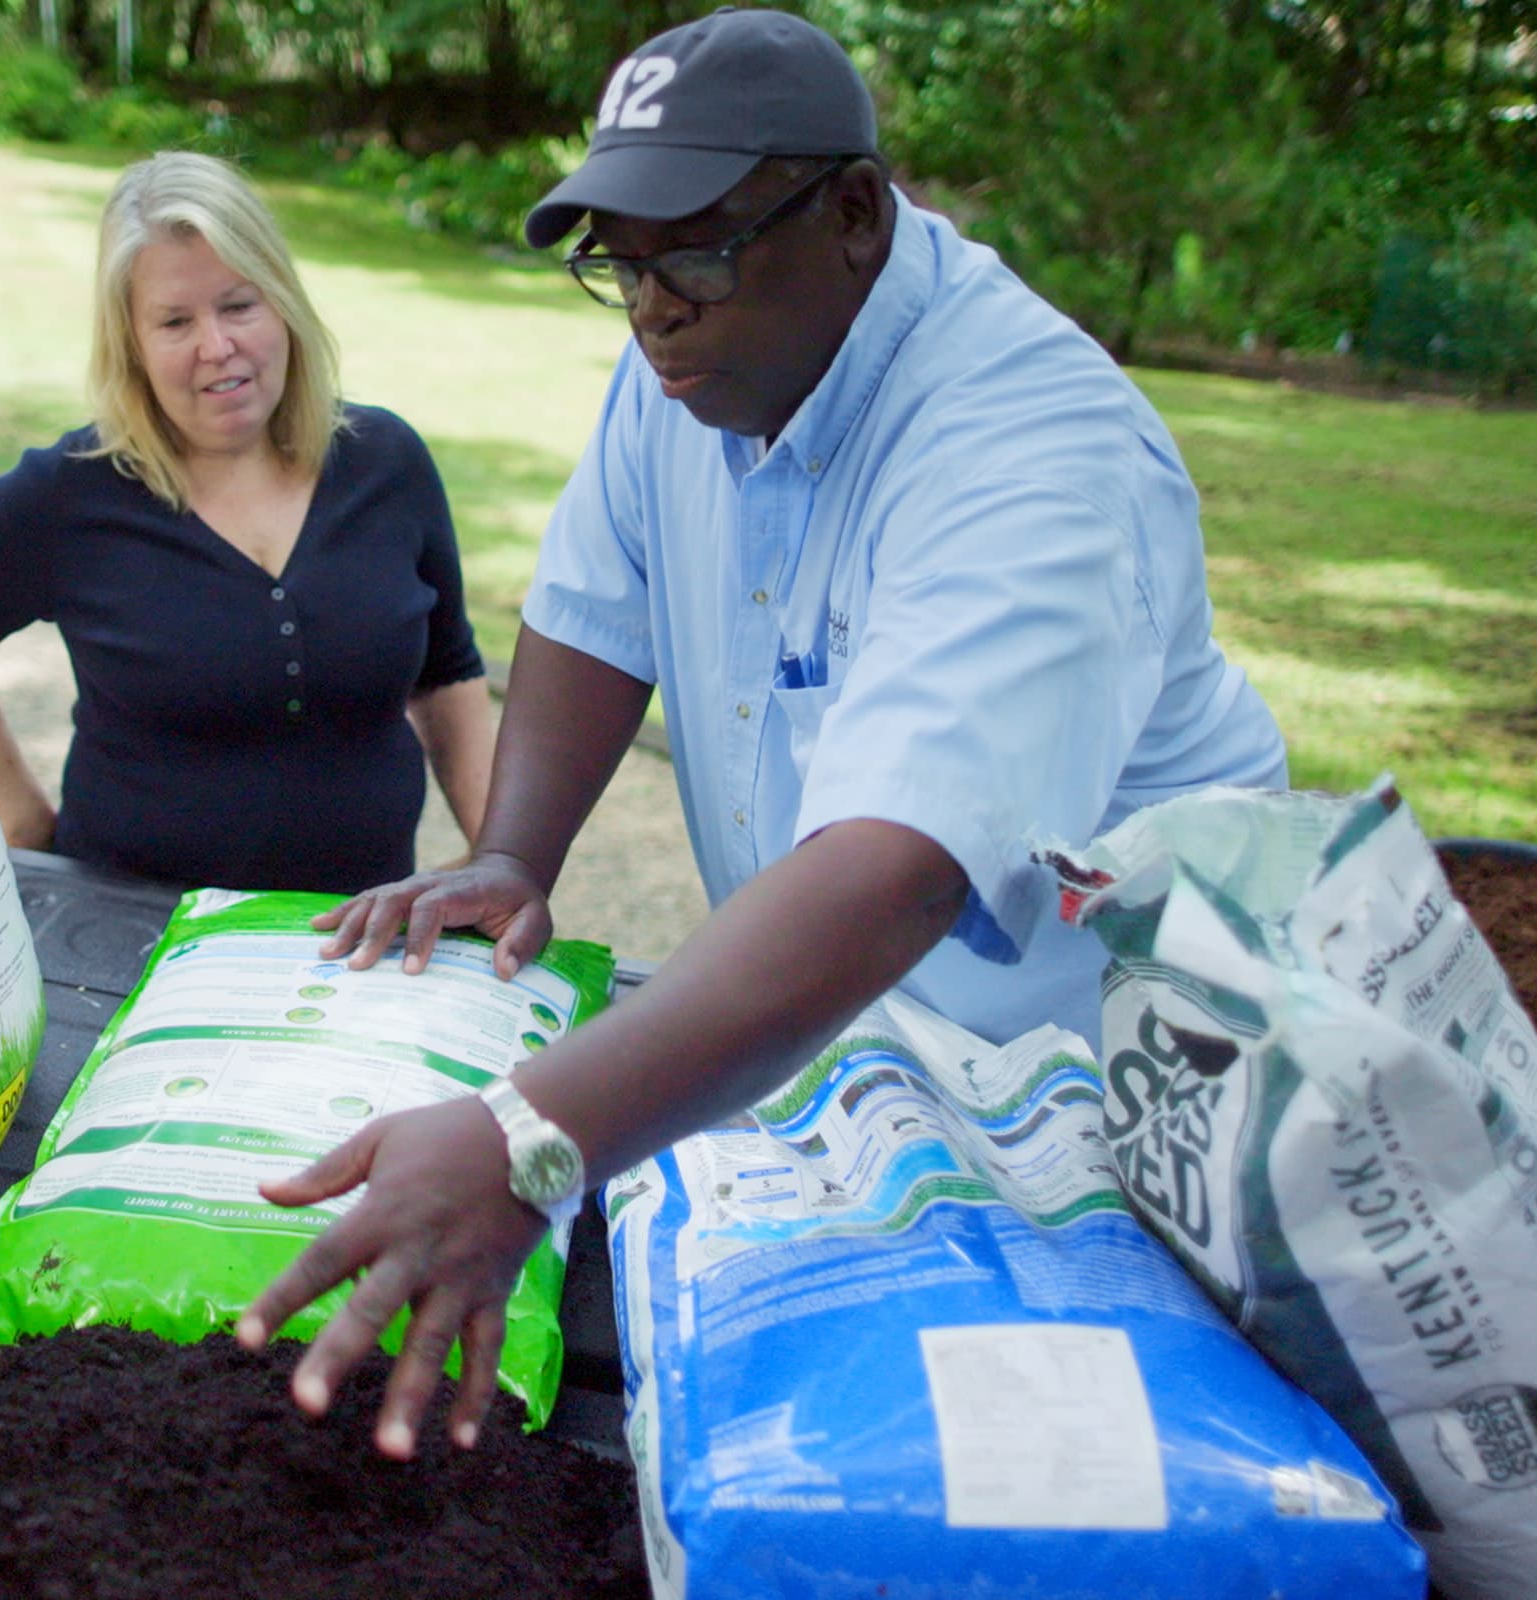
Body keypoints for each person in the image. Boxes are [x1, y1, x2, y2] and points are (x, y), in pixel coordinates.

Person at [236, 7, 1287, 1458]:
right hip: (855, 1066)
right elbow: (598, 609)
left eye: (699, 251)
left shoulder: (1035, 456)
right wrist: (515, 852)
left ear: (856, 213)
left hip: (1104, 1118)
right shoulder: (699, 356)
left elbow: (896, 872)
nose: (656, 304)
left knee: (1032, 1498)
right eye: (621, 262)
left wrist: (528, 1142)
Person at [0, 152, 494, 895]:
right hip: (137, 950)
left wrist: (496, 857)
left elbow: (448, 672)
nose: (217, 347)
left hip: (358, 941)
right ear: (133, 344)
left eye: (239, 305)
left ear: (284, 304)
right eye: (176, 321)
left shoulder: (387, 462)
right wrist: (19, 823)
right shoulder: (68, 494)